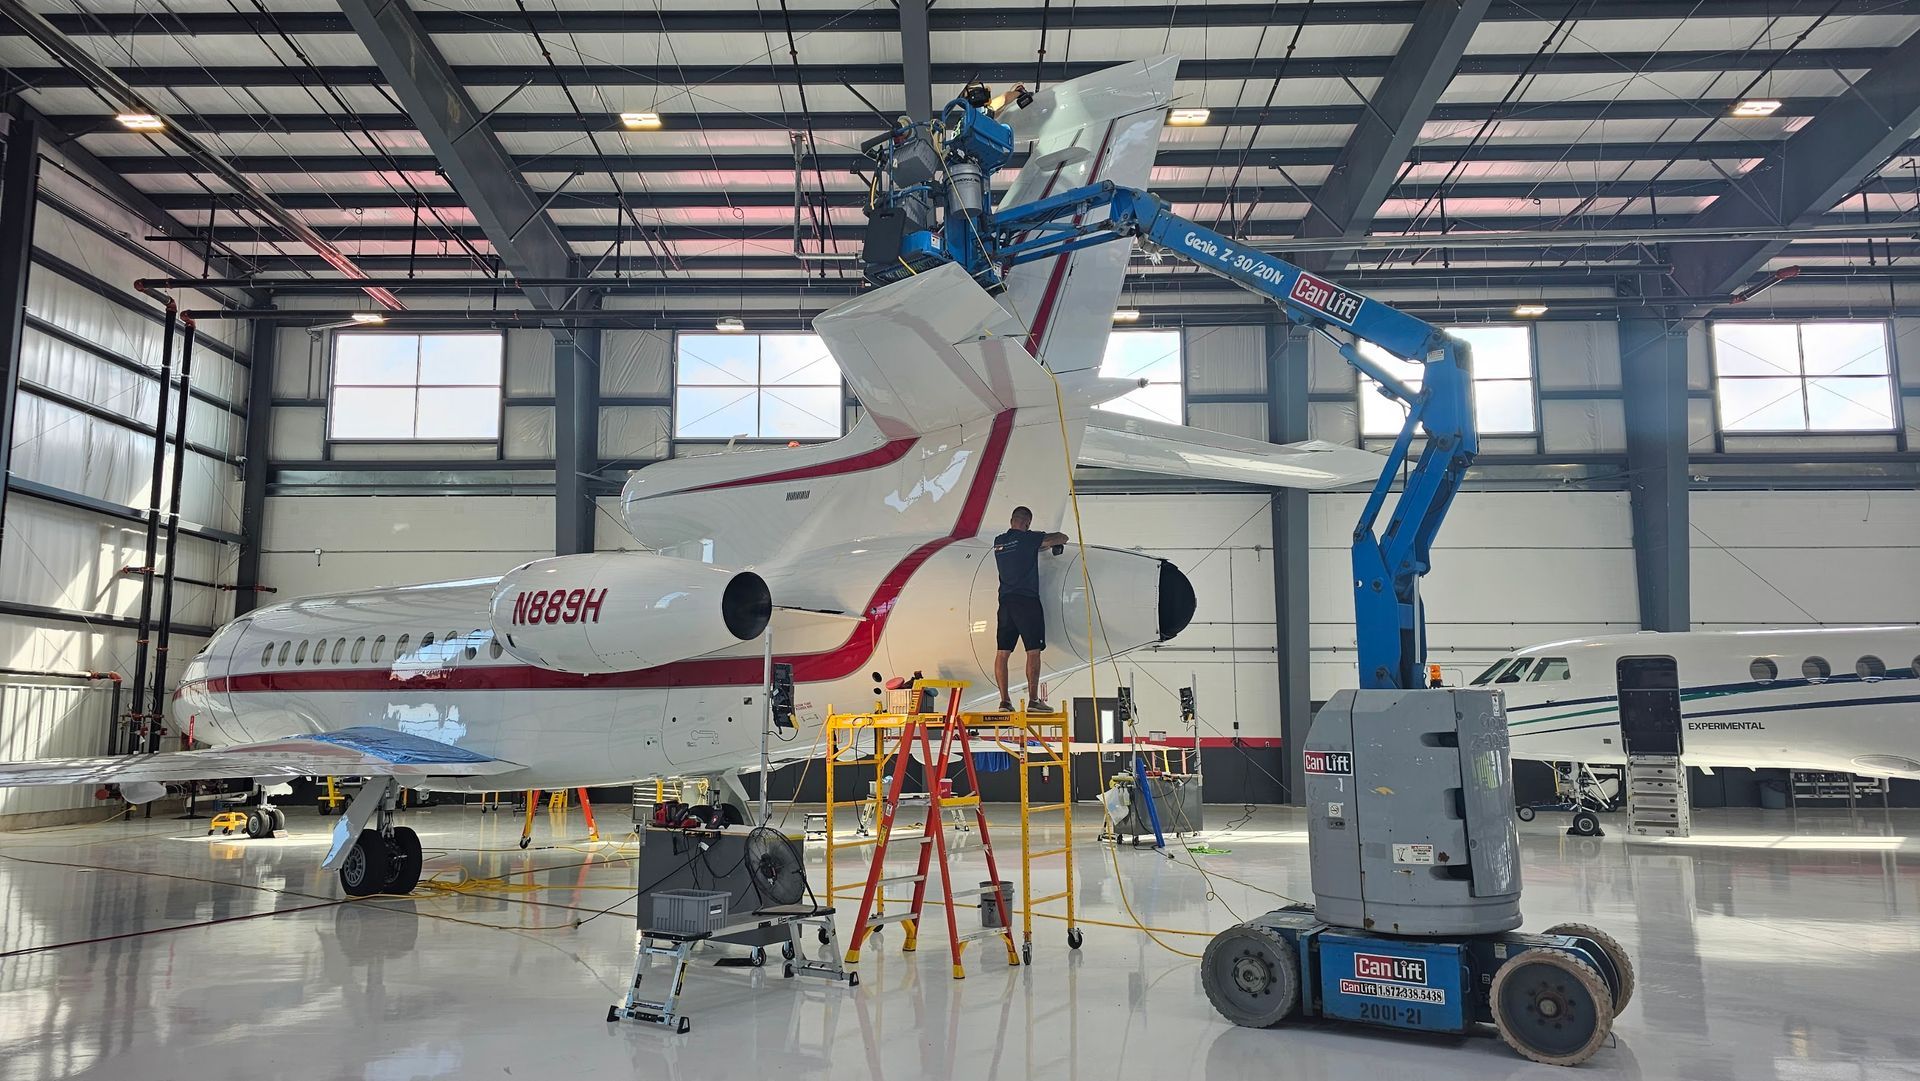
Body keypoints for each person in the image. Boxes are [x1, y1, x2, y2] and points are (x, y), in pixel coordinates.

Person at [992, 506, 1069, 712]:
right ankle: (1034, 700)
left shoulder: (999, 541)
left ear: (1011, 521)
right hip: (1026, 601)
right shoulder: (1028, 539)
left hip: (1005, 603)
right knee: (1033, 651)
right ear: (1027, 523)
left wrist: (1035, 545)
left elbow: (1021, 547)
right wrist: (1048, 541)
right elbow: (1060, 537)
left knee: (1002, 652)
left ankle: (1004, 702)